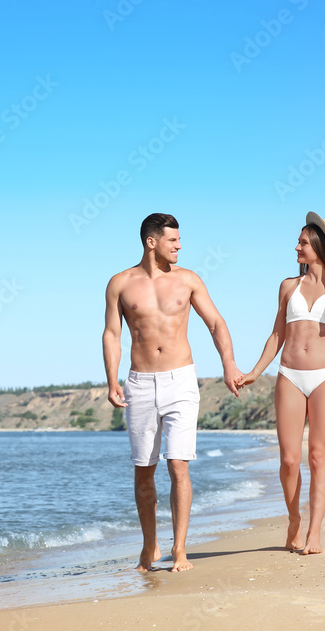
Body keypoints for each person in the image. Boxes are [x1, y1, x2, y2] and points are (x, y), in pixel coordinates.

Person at [102, 213, 242, 572]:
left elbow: (216, 323)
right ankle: (150, 546)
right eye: (173, 240)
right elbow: (112, 335)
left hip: (181, 380)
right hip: (140, 383)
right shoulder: (120, 283)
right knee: (143, 471)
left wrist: (229, 366)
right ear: (152, 241)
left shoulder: (188, 280)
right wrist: (111, 380)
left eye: (179, 241)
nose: (179, 246)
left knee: (178, 465)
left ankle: (180, 550)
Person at [238, 212, 325, 555]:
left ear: (319, 247)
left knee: (318, 457)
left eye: (303, 242)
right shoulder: (288, 286)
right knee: (289, 460)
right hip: (289, 375)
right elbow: (277, 335)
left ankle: (315, 534)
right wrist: (255, 371)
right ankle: (294, 519)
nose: (297, 247)